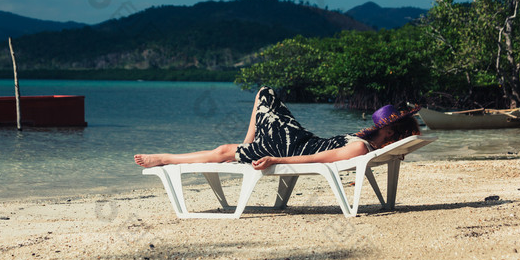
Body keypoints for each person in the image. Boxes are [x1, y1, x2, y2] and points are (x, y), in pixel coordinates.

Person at [134, 86, 421, 170]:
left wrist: (275, 160)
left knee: (223, 150)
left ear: (389, 134)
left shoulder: (360, 147)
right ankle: (247, 142)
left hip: (290, 148)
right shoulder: (366, 145)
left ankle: (164, 158)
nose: (377, 129)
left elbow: (313, 160)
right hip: (300, 139)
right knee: (264, 93)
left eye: (383, 127)